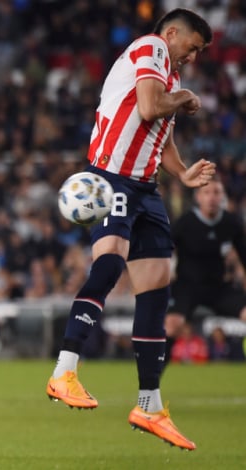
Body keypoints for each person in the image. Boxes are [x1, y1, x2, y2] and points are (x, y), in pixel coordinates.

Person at [45, 9, 215, 451]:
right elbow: (149, 107)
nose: (193, 56)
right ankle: (64, 370)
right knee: (110, 261)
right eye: (193, 45)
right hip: (111, 178)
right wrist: (184, 97)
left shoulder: (169, 76)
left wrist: (182, 174)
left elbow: (162, 133)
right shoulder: (151, 48)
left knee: (157, 287)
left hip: (146, 188)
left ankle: (149, 404)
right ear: (172, 32)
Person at [165, 178, 246, 356]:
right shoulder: (185, 223)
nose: (211, 198)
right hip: (187, 286)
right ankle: (152, 382)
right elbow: (165, 251)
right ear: (198, 197)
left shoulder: (231, 223)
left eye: (216, 192)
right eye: (206, 192)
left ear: (222, 197)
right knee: (171, 326)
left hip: (219, 287)